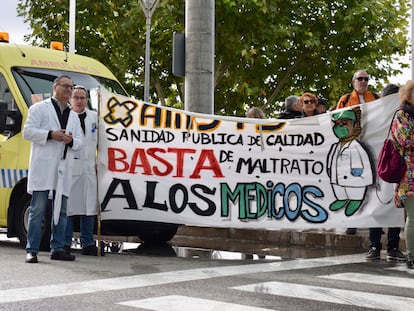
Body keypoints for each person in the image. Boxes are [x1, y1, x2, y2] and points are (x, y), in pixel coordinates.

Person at [23, 75, 84, 263]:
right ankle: (31, 249)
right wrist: (51, 135)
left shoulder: (74, 115)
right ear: (55, 87)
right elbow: (27, 131)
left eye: (71, 87)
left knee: (62, 210)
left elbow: (80, 141)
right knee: (38, 208)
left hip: (64, 167)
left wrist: (71, 140)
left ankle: (57, 248)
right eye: (65, 86)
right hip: (44, 165)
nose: (69, 90)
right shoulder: (38, 108)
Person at [335, 69, 379, 235]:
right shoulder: (345, 99)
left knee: (372, 182)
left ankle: (374, 223)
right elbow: (336, 120)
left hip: (372, 144)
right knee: (351, 182)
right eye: (360, 79)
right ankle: (351, 222)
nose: (363, 82)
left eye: (366, 79)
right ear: (353, 81)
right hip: (351, 145)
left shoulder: (376, 98)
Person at [364, 83, 405, 262]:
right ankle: (387, 246)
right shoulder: (379, 116)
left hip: (383, 165)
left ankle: (381, 246)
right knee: (382, 206)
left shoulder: (400, 115)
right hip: (388, 165)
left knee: (389, 206)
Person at [64, 85, 102, 256]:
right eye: (76, 97)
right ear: (70, 99)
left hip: (89, 168)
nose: (79, 101)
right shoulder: (65, 117)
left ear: (87, 100)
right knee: (70, 207)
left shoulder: (95, 117)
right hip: (70, 166)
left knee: (89, 207)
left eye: (82, 97)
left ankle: (88, 243)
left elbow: (102, 142)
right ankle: (64, 242)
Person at [391, 80, 414, 274]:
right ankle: (412, 257)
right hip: (410, 174)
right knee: (413, 217)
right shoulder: (402, 115)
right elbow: (406, 139)